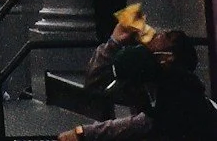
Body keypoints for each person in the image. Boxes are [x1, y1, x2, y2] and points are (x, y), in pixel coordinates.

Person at [63, 27, 217, 141]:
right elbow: (95, 86)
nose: (157, 34)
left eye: (166, 36)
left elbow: (147, 123)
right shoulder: (151, 83)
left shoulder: (179, 93)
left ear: (167, 58)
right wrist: (114, 42)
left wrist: (85, 133)